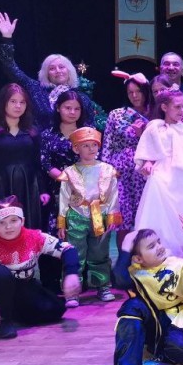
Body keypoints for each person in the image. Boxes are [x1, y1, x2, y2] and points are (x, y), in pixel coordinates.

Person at [0, 196, 80, 339]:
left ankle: (2, 313)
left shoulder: (34, 237)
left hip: (23, 286)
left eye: (13, 220)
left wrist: (71, 273)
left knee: (55, 310)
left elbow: (67, 249)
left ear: (22, 221)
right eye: (1, 222)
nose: (8, 227)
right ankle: (1, 319)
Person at [110, 228, 183, 365]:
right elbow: (119, 279)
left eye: (158, 242)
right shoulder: (136, 273)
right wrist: (126, 246)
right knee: (131, 308)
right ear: (138, 259)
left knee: (182, 352)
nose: (159, 247)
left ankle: (156, 347)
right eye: (151, 246)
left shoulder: (178, 265)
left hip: (174, 321)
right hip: (150, 319)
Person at [133, 89, 183, 266]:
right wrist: (147, 162)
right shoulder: (155, 128)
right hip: (163, 177)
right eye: (177, 107)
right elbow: (148, 150)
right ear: (164, 107)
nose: (181, 111)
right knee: (162, 218)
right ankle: (161, 259)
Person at [0, 12, 107, 130]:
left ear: (69, 71)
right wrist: (7, 38)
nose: (58, 71)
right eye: (52, 68)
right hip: (39, 141)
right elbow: (10, 68)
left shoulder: (82, 98)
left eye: (61, 67)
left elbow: (89, 128)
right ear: (46, 74)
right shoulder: (36, 89)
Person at [56, 128, 121, 305]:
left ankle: (103, 286)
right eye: (86, 146)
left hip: (100, 215)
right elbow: (64, 197)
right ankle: (72, 291)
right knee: (75, 254)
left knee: (100, 252)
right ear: (76, 148)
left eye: (94, 145)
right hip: (77, 216)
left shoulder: (107, 169)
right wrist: (62, 221)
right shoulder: (70, 172)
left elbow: (113, 193)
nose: (91, 149)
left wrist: (112, 215)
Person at [0, 83, 47, 232]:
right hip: (0, 186)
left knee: (28, 229)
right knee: (3, 229)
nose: (18, 106)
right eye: (13, 101)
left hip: (28, 187)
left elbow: (37, 164)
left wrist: (43, 190)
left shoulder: (33, 132)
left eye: (22, 102)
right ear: (3, 102)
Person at [101, 72, 151, 252]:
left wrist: (142, 134)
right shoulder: (116, 114)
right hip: (120, 173)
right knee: (122, 219)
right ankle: (123, 261)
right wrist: (106, 172)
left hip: (144, 172)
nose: (135, 96)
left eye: (138, 91)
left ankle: (144, 258)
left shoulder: (155, 115)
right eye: (130, 92)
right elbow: (108, 144)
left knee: (144, 217)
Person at [40, 90, 91, 233]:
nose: (72, 112)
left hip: (86, 188)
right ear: (58, 108)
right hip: (57, 190)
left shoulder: (88, 132)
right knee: (58, 234)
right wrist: (67, 179)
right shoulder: (47, 134)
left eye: (77, 109)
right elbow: (45, 163)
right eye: (68, 108)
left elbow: (95, 158)